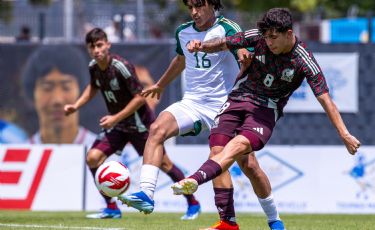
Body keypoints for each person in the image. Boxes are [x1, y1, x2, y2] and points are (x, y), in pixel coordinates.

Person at [171, 7, 362, 229]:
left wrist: (344, 134)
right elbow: (224, 43)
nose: (269, 42)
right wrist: (202, 46)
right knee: (222, 153)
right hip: (238, 98)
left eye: (274, 37)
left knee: (238, 147)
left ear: (289, 33)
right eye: (267, 37)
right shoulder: (257, 37)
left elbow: (325, 100)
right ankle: (228, 223)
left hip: (266, 109)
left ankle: (199, 182)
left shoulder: (304, 60)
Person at [118, 1, 283, 229]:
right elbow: (181, 59)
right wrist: (160, 84)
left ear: (212, 5)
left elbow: (244, 52)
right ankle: (147, 194)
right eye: (190, 7)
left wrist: (245, 58)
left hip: (226, 105)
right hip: (193, 103)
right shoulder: (183, 32)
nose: (194, 12)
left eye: (199, 6)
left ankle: (274, 220)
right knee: (156, 129)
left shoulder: (227, 28)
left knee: (248, 166)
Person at [63, 28, 200, 220]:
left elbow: (139, 98)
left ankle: (193, 203)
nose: (96, 50)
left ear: (108, 45)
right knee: (93, 158)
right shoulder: (94, 66)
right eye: (92, 46)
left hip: (139, 126)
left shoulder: (121, 66)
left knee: (164, 164)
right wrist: (76, 105)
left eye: (100, 45)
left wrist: (115, 118)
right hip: (118, 126)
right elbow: (93, 87)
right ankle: (111, 208)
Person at [20, 45, 97, 146]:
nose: (57, 100)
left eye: (66, 87)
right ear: (33, 93)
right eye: (47, 88)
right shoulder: (14, 159)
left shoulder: (110, 156)